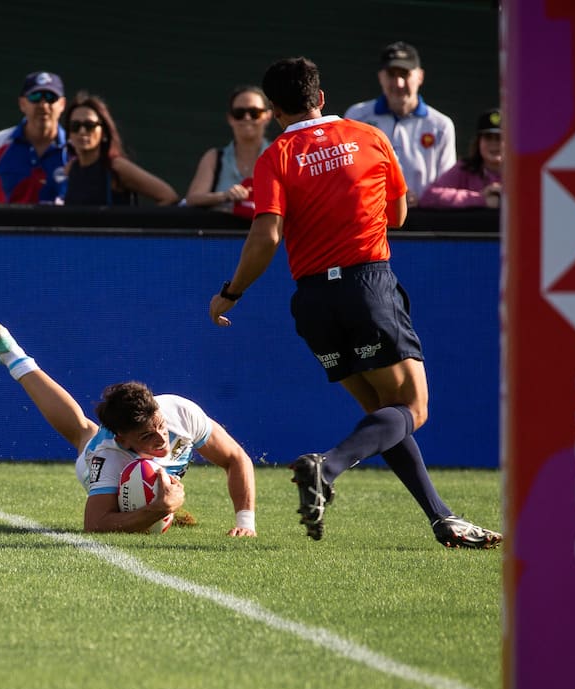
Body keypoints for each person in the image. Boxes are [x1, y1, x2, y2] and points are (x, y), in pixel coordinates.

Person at [207, 57, 500, 550]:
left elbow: (267, 235)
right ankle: (329, 466)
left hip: (315, 303)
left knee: (384, 419)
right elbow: (399, 215)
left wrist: (230, 292)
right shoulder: (369, 137)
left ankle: (442, 518)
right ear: (321, 97)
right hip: (367, 288)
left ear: (276, 111)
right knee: (412, 408)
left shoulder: (276, 155)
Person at [0, 324, 256, 536]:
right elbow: (96, 525)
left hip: (136, 457)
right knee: (83, 435)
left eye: (160, 426)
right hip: (99, 459)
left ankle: (11, 353)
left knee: (82, 428)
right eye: (147, 436)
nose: (162, 439)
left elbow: (235, 458)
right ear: (122, 438)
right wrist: (158, 509)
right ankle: (11, 355)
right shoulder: (107, 457)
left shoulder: (180, 411)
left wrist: (245, 523)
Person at [344, 42, 456, 207]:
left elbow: (446, 185)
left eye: (405, 74)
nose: (399, 84)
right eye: (391, 75)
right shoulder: (356, 117)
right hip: (370, 217)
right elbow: (347, 173)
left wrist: (419, 199)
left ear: (420, 76)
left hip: (424, 221)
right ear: (380, 77)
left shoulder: (441, 125)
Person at [58, 92, 179, 207]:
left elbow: (168, 196)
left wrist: (141, 226)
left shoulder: (116, 167)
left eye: (89, 126)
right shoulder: (70, 169)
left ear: (104, 132)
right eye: (75, 126)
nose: (82, 131)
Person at [0, 71, 68, 204]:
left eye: (51, 98)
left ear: (62, 104)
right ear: (22, 104)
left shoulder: (74, 150)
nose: (43, 106)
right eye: (35, 97)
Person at [183, 86, 273, 217]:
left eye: (254, 113)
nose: (247, 118)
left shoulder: (280, 156)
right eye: (239, 113)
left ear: (268, 117)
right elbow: (193, 198)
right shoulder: (214, 157)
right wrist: (224, 196)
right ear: (230, 118)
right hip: (222, 236)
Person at [419, 108, 503, 209]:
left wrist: (505, 196)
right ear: (478, 142)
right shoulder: (464, 169)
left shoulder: (523, 173)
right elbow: (429, 197)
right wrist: (480, 199)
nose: (494, 144)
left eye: (499, 138)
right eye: (488, 137)